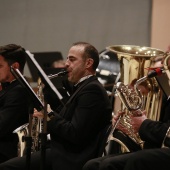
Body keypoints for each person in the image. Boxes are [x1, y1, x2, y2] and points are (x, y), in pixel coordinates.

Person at [0, 42, 112, 170]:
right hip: (62, 151)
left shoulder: (92, 90)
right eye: (67, 59)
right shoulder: (84, 87)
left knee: (6, 167)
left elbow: (74, 133)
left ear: (88, 63)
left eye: (72, 59)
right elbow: (68, 118)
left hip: (69, 157)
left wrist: (49, 116)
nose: (66, 64)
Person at [82, 53, 170, 170]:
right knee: (92, 165)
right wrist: (129, 127)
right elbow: (156, 134)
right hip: (158, 148)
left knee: (123, 163)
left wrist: (144, 124)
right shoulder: (165, 97)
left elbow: (165, 134)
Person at [0, 44, 30, 163]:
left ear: (15, 66)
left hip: (5, 152)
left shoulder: (19, 90)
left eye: (0, 66)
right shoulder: (9, 88)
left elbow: (2, 126)